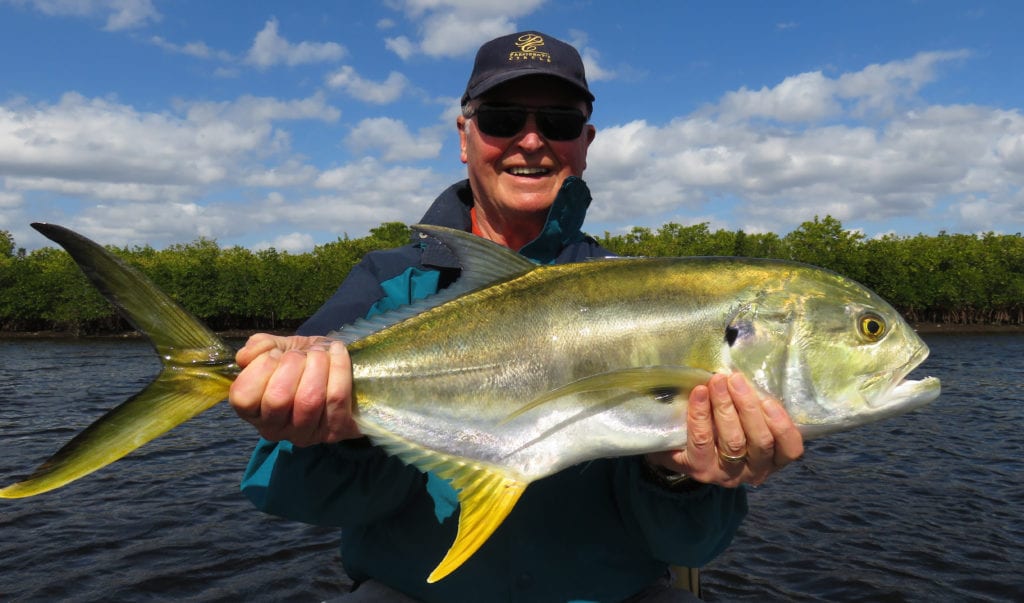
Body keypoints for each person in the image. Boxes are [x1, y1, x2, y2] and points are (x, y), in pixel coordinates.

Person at [228, 31, 804, 602]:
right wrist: (340, 433)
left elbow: (691, 548)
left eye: (559, 122)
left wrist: (677, 474)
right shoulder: (388, 284)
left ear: (586, 141)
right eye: (503, 117)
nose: (531, 141)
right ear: (465, 134)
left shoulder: (645, 298)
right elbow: (285, 493)